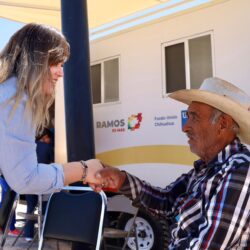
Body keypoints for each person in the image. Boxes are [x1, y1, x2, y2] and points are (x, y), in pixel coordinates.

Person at [91, 77, 250, 249]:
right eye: (188, 116)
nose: (185, 127)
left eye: (194, 117)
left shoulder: (240, 170)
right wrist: (122, 180)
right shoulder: (205, 169)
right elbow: (166, 201)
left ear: (222, 124)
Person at [0, 23, 103, 195]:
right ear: (35, 59)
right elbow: (27, 179)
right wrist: (84, 169)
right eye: (56, 63)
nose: (61, 73)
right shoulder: (14, 100)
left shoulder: (7, 92)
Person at [24, 128, 54, 242]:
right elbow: (52, 164)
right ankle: (45, 234)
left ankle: (28, 235)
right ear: (45, 137)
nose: (50, 141)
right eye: (49, 138)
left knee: (30, 207)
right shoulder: (47, 147)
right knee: (45, 207)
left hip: (30, 181)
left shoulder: (29, 146)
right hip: (43, 181)